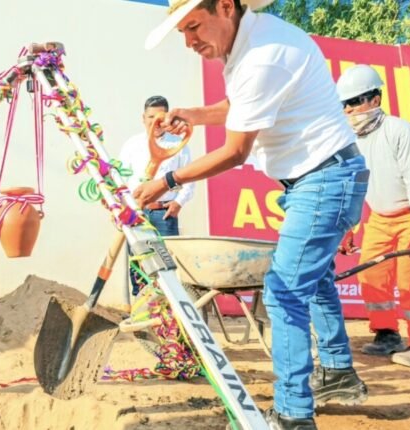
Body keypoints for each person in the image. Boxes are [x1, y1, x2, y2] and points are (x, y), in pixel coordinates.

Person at [136, 1, 369, 427]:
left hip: (325, 179)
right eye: (182, 32)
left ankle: (293, 415)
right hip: (318, 177)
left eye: (194, 26)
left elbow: (235, 152)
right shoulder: (252, 43)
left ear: (226, 6)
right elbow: (239, 105)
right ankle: (338, 372)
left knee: (283, 291)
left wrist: (167, 181)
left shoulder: (263, 56)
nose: (189, 42)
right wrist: (193, 115)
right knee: (314, 279)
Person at [336, 65, 410, 368]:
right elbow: (353, 187)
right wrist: (349, 227)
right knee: (371, 273)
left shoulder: (400, 131)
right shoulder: (348, 140)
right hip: (382, 215)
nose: (348, 109)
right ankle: (386, 334)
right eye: (344, 104)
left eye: (355, 101)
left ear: (375, 99)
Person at [119, 95, 194, 296]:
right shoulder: (132, 145)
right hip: (137, 215)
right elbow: (120, 179)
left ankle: (168, 311)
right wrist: (123, 206)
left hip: (164, 214)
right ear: (143, 118)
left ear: (167, 118)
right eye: (151, 117)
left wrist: (177, 203)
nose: (155, 122)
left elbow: (189, 180)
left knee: (167, 266)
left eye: (160, 117)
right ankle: (141, 308)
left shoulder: (178, 145)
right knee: (139, 266)